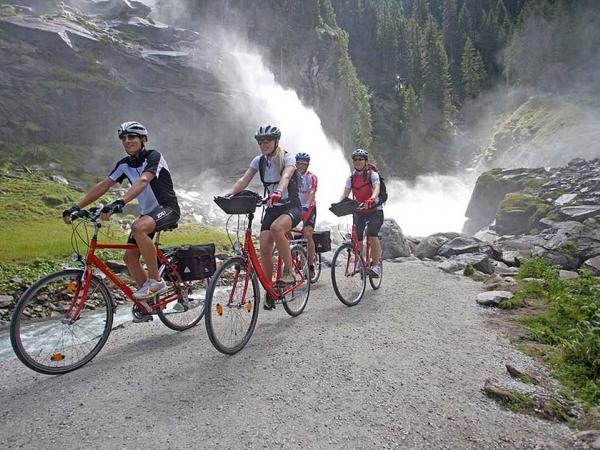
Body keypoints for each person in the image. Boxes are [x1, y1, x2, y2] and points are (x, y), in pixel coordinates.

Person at [62, 121, 181, 308]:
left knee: (138, 227)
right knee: (129, 258)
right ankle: (148, 304)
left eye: (132, 137)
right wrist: (76, 206)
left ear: (143, 139)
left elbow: (143, 180)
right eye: (123, 138)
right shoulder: (125, 164)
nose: (127, 141)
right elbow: (104, 185)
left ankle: (155, 281)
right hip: (148, 213)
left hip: (167, 209)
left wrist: (121, 202)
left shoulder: (153, 156)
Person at [229, 125, 302, 309]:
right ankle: (270, 289)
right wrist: (228, 196)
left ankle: (290, 272)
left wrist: (278, 192)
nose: (263, 144)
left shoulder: (287, 157)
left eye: (267, 141)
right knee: (264, 248)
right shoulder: (259, 161)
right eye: (260, 142)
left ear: (276, 141)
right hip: (271, 208)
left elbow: (286, 177)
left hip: (291, 206)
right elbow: (243, 180)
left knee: (278, 229)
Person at [339, 148, 383, 277]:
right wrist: (339, 204)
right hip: (360, 210)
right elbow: (345, 193)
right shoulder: (351, 178)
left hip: (374, 210)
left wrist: (372, 198)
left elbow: (376, 188)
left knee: (371, 234)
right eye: (355, 159)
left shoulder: (372, 175)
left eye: (360, 159)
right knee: (357, 238)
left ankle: (376, 266)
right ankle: (359, 261)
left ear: (365, 161)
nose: (358, 161)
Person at [295, 152, 318, 279]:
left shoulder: (312, 177)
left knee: (308, 234)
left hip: (309, 208)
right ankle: (294, 254)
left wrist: (306, 205)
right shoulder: (292, 176)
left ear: (307, 165)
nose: (301, 166)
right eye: (298, 163)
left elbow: (312, 192)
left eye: (304, 164)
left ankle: (310, 265)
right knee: (284, 231)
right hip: (295, 208)